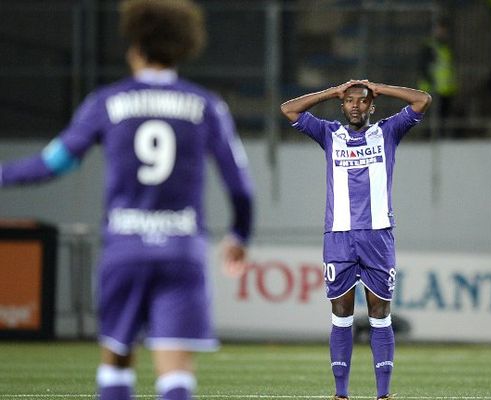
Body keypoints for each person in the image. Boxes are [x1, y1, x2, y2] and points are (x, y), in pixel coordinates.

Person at [0, 1, 253, 399]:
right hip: (181, 252)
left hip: (125, 249)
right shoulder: (207, 106)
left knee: (117, 363)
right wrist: (239, 234)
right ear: (184, 45)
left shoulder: (106, 102)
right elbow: (240, 186)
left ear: (135, 44)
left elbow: (53, 165)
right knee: (175, 375)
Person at [280, 80, 431, 400]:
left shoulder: (387, 131)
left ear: (371, 106)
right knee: (341, 313)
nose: (355, 106)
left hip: (378, 237)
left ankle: (383, 394)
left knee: (380, 313)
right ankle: (341, 393)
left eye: (362, 101)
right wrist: (330, 92)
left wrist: (378, 87)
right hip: (339, 236)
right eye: (348, 101)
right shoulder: (329, 133)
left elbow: (422, 100)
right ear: (342, 104)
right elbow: (288, 109)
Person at [418, 18, 458, 138]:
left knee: (443, 117)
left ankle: (440, 136)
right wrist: (431, 82)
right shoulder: (430, 46)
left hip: (446, 89)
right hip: (433, 88)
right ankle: (428, 138)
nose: (442, 32)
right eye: (440, 29)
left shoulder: (445, 47)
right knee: (433, 119)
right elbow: (424, 66)